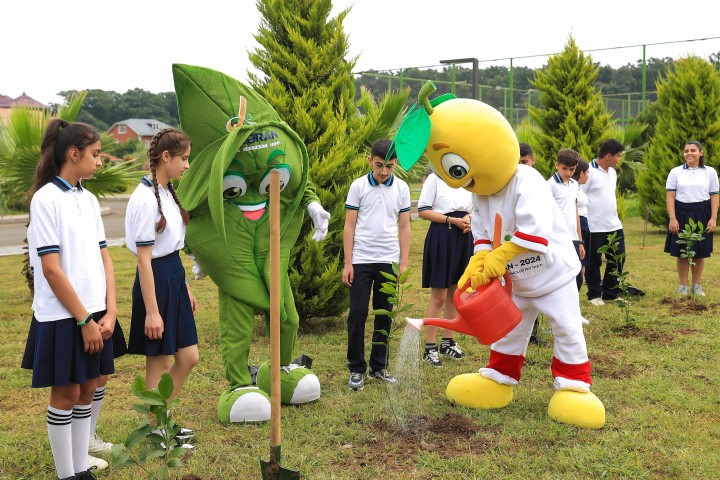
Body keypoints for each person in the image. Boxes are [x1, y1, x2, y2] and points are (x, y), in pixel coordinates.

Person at [24, 119, 119, 480]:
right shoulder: (46, 199)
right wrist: (83, 320)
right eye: (95, 155)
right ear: (73, 153)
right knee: (65, 394)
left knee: (87, 389)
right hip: (65, 315)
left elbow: (104, 257)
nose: (99, 161)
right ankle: (67, 475)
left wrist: (110, 310)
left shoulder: (89, 199)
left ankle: (81, 470)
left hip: (95, 310)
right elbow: (51, 269)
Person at [125, 128, 199, 447]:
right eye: (183, 159)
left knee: (189, 356)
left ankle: (160, 420)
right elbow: (145, 261)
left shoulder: (166, 192)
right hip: (154, 281)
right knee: (159, 361)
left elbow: (172, 248)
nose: (186, 166)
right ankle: (158, 430)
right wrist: (152, 312)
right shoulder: (144, 199)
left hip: (172, 276)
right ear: (165, 157)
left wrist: (185, 287)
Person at [342, 139, 411, 391]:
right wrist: (348, 262)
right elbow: (349, 225)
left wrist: (403, 262)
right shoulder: (358, 186)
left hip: (389, 261)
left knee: (384, 314)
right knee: (358, 314)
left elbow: (404, 227)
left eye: (389, 167)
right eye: (380, 165)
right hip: (361, 259)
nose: (384, 172)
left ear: (395, 165)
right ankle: (356, 369)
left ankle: (379, 367)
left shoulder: (402, 189)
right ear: (370, 160)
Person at [417, 171, 473, 367]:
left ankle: (448, 342)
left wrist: (469, 217)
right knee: (439, 296)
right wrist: (451, 220)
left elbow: (476, 206)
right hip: (442, 235)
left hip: (464, 237)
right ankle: (429, 347)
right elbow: (423, 211)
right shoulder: (435, 179)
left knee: (455, 293)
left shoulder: (468, 179)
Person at [665, 140, 719, 296]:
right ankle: (682, 285)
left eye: (693, 150)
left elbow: (714, 196)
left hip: (702, 213)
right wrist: (673, 218)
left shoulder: (710, 172)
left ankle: (697, 285)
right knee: (682, 250)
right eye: (686, 150)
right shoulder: (675, 172)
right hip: (681, 213)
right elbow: (670, 196)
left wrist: (713, 217)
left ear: (701, 153)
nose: (689, 153)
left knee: (700, 251)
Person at [581, 139, 625, 306]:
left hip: (614, 224)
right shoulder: (588, 172)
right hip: (594, 226)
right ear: (608, 155)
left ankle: (610, 293)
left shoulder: (612, 173)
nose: (619, 159)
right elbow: (579, 196)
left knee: (617, 258)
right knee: (594, 261)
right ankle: (594, 294)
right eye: (618, 156)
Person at [547, 149, 585, 290]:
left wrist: (580, 241)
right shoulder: (549, 186)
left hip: (573, 239)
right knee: (560, 279)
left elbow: (575, 212)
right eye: (564, 169)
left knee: (577, 278)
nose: (568, 173)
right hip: (556, 240)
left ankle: (571, 309)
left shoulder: (574, 185)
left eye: (571, 169)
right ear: (556, 165)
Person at [573, 158, 591, 287]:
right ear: (581, 173)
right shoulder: (572, 188)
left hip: (584, 225)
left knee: (582, 264)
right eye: (587, 172)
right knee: (578, 262)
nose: (588, 176)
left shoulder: (578, 188)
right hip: (578, 226)